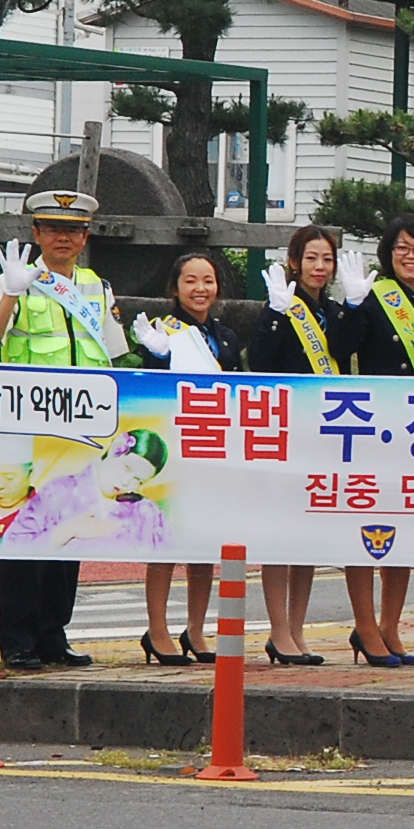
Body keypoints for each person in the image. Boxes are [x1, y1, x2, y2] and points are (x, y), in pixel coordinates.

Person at [0, 188, 129, 672]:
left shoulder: (96, 286)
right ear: (35, 233)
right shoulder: (17, 279)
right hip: (24, 430)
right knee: (23, 531)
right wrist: (11, 291)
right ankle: (16, 636)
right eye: (52, 228)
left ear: (85, 237)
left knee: (68, 532)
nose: (62, 237)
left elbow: (113, 356)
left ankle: (54, 632)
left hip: (79, 432)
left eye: (72, 229)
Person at [339, 215, 414, 668]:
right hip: (375, 426)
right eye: (402, 247)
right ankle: (364, 626)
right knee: (367, 526)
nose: (411, 255)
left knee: (402, 529)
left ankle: (390, 625)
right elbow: (338, 346)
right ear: (388, 254)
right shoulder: (372, 298)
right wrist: (350, 305)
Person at [248, 224, 355, 665]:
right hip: (286, 432)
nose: (319, 267)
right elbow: (261, 362)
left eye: (326, 259)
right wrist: (275, 314)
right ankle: (277, 630)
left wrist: (358, 305)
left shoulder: (333, 310)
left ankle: (296, 628)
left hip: (325, 433)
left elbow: (349, 353)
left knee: (308, 538)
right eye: (311, 258)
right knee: (280, 535)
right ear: (294, 262)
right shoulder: (280, 307)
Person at [129, 251, 235, 665]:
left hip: (213, 446)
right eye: (191, 281)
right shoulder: (163, 332)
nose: (200, 289)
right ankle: (156, 629)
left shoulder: (225, 336)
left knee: (204, 541)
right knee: (166, 538)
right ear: (175, 288)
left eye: (207, 280)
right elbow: (150, 390)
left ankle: (196, 628)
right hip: (173, 445)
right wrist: (156, 355)